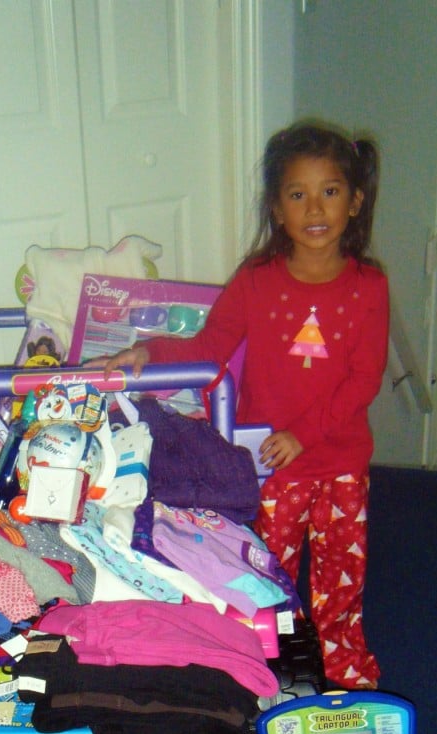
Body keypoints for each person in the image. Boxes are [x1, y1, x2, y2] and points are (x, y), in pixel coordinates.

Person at [97, 121, 388, 690]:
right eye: (297, 194)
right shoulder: (257, 281)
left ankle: (346, 676)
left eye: (329, 191)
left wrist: (304, 432)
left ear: (354, 202)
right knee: (259, 576)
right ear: (277, 209)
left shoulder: (368, 287)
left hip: (340, 464)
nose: (314, 208)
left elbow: (363, 380)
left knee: (340, 585)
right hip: (269, 465)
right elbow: (209, 347)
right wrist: (148, 351)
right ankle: (264, 672)